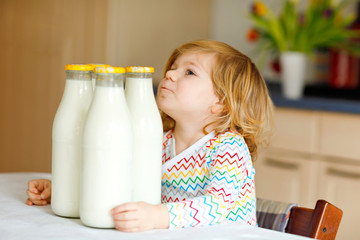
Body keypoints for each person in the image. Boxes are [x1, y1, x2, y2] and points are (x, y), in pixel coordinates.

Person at [26, 39, 274, 232]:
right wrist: (65, 192)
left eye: (189, 72)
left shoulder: (228, 147)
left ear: (221, 103)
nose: (170, 74)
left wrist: (158, 216)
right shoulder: (159, 140)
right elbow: (120, 181)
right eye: (173, 67)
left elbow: (218, 207)